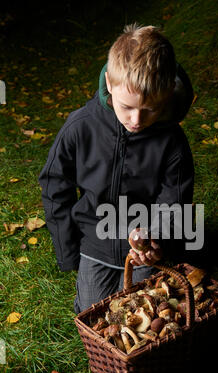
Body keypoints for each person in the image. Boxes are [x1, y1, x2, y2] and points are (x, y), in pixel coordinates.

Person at [38, 23, 195, 314]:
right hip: (95, 239)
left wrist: (156, 239)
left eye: (149, 110)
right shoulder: (79, 126)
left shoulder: (172, 141)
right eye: (127, 107)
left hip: (145, 246)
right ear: (110, 83)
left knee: (149, 310)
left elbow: (174, 201)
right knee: (94, 312)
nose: (136, 120)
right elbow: (54, 184)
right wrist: (69, 252)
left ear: (166, 96)